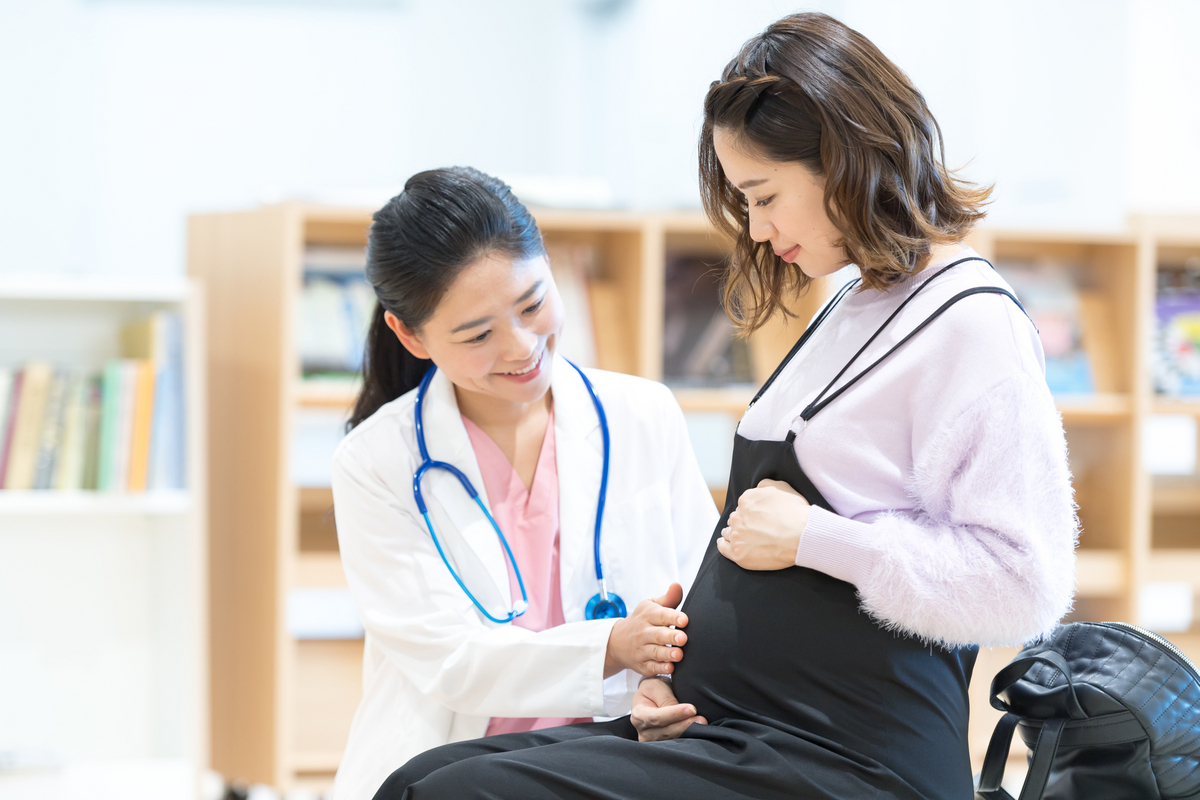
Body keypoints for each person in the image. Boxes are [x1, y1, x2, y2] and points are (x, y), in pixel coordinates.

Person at [373, 12, 1078, 800]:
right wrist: (667, 680)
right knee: (424, 778)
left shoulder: (972, 322)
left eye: (765, 194)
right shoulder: (858, 300)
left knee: (455, 797)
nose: (756, 226)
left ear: (845, 158)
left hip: (848, 755)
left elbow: (1023, 583)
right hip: (742, 726)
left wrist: (816, 538)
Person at [329, 166, 718, 800]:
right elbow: (450, 660)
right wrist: (612, 647)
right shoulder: (376, 462)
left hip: (619, 754)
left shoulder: (643, 415)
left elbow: (703, 598)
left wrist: (662, 684)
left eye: (533, 303)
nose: (520, 348)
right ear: (410, 334)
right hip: (453, 765)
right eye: (478, 334)